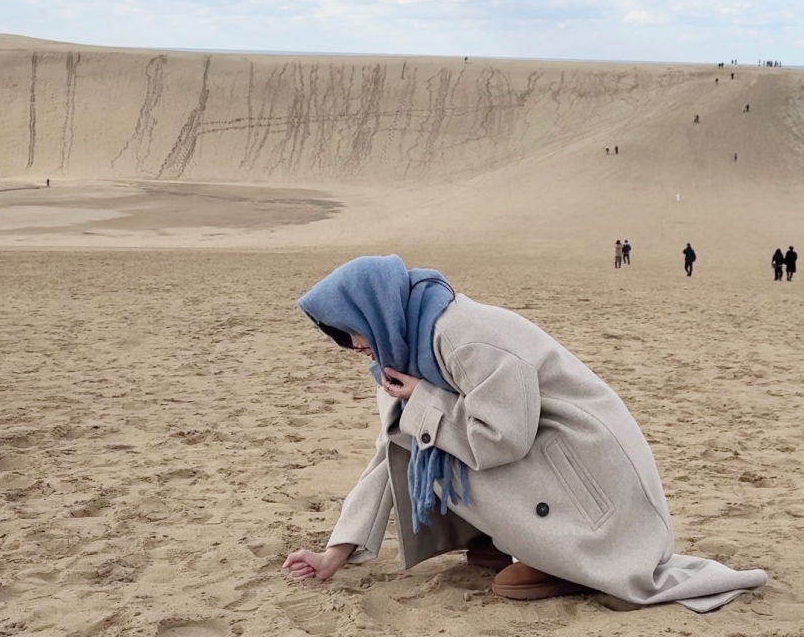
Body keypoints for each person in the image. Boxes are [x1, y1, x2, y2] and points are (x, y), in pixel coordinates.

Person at [284, 256, 766, 609]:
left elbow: (504, 437)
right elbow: (391, 451)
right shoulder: (403, 358)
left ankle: (568, 559)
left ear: (375, 311)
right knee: (420, 431)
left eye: (350, 331)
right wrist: (334, 554)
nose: (352, 346)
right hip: (554, 470)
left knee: (433, 427)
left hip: (591, 480)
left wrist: (424, 401)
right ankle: (497, 539)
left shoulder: (461, 334)